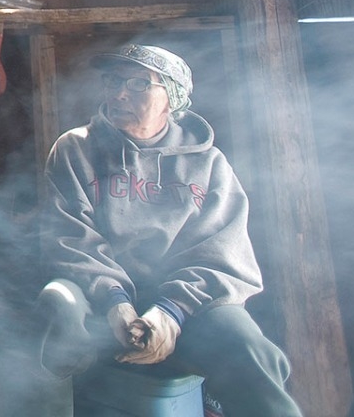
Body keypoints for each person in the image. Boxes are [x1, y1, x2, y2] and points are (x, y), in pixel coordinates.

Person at [34, 43, 302, 416]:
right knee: (61, 296)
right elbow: (69, 237)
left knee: (247, 347)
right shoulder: (75, 148)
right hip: (100, 294)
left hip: (184, 303)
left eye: (139, 84)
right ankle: (69, 346)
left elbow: (220, 252)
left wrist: (170, 312)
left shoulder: (208, 163)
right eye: (113, 81)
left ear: (172, 98)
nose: (119, 92)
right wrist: (115, 303)